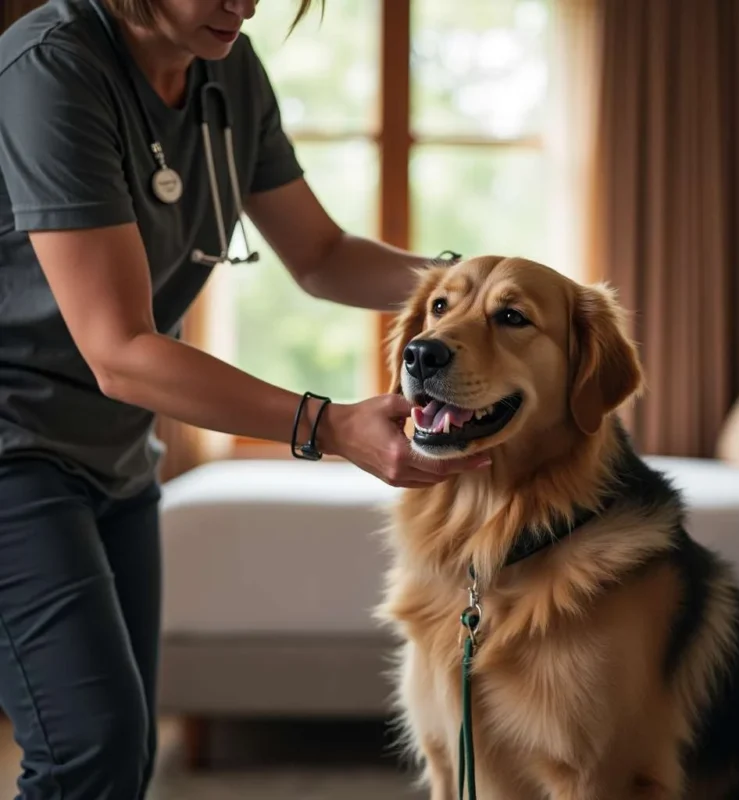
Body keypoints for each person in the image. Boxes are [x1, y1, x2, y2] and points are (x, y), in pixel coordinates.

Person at [0, 0, 491, 796]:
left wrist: (472, 287)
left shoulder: (226, 68)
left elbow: (323, 255)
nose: (247, 4)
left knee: (119, 761)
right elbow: (121, 353)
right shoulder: (50, 69)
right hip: (14, 452)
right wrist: (329, 426)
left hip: (116, 460)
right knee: (87, 749)